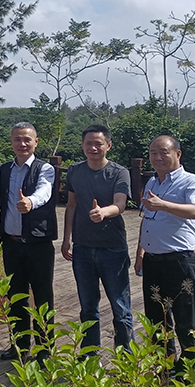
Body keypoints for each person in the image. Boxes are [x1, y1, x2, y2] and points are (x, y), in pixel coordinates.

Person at [134, 135, 195, 379]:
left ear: (178, 154)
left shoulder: (191, 182)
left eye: (163, 152)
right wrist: (140, 252)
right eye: (153, 153)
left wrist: (163, 205)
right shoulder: (151, 182)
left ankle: (189, 374)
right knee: (157, 321)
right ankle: (164, 369)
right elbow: (147, 219)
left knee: (186, 320)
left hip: (179, 262)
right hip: (152, 261)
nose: (157, 157)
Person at [62, 124, 133, 355]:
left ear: (108, 146)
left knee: (120, 306)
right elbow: (71, 206)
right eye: (88, 143)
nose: (93, 147)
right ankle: (90, 356)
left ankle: (126, 358)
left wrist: (104, 212)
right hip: (82, 247)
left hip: (112, 248)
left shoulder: (119, 172)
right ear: (82, 145)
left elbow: (120, 204)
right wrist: (66, 239)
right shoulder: (74, 171)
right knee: (88, 307)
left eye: (98, 143)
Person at [0, 122, 57, 361]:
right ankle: (19, 345)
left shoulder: (45, 169)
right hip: (11, 243)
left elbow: (45, 191)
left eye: (27, 139)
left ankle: (45, 349)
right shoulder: (5, 169)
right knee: (16, 297)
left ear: (36, 142)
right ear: (11, 141)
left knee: (43, 297)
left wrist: (30, 202)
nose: (22, 144)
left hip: (38, 243)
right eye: (17, 139)